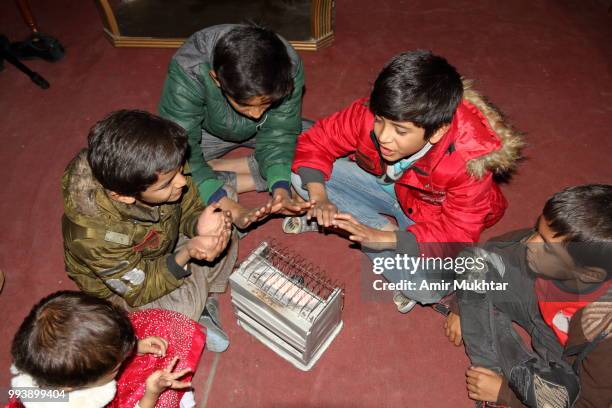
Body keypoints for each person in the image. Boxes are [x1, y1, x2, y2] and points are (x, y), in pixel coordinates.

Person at [286, 50, 523, 313]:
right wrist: (320, 197)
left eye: (400, 131)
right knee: (300, 176)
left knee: (429, 289)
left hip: (429, 217)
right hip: (380, 184)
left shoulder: (468, 163)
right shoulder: (376, 113)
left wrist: (390, 240)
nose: (384, 136)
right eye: (380, 121)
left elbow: (457, 234)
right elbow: (317, 141)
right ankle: (374, 235)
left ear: (439, 131)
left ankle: (373, 237)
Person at [61, 110, 235, 351]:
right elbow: (140, 288)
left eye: (178, 172)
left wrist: (199, 224)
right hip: (129, 286)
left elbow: (188, 204)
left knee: (223, 215)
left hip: (163, 241)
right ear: (123, 196)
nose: (182, 182)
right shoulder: (93, 237)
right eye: (167, 183)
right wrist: (187, 254)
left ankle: (207, 294)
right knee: (182, 311)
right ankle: (201, 297)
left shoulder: (160, 167)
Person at [456, 184, 612, 407]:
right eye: (538, 230)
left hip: (563, 354)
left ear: (589, 275)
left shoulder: (605, 336)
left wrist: (505, 394)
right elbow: (492, 251)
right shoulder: (555, 241)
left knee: (562, 398)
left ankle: (510, 376)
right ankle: (495, 366)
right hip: (535, 304)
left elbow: (588, 403)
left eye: (546, 246)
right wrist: (459, 305)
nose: (531, 244)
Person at [158, 24, 311, 230]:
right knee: (161, 171)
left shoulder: (286, 66)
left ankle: (225, 170)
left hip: (264, 131)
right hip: (204, 135)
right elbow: (182, 146)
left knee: (320, 144)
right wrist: (227, 204)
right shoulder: (189, 69)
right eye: (246, 105)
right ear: (216, 78)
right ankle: (227, 174)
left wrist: (280, 188)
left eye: (267, 103)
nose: (257, 115)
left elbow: (281, 132)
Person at [7, 291, 203, 408]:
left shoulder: (44, 357)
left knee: (158, 327)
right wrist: (151, 394)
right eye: (117, 366)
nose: (125, 359)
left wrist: (134, 346)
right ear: (72, 387)